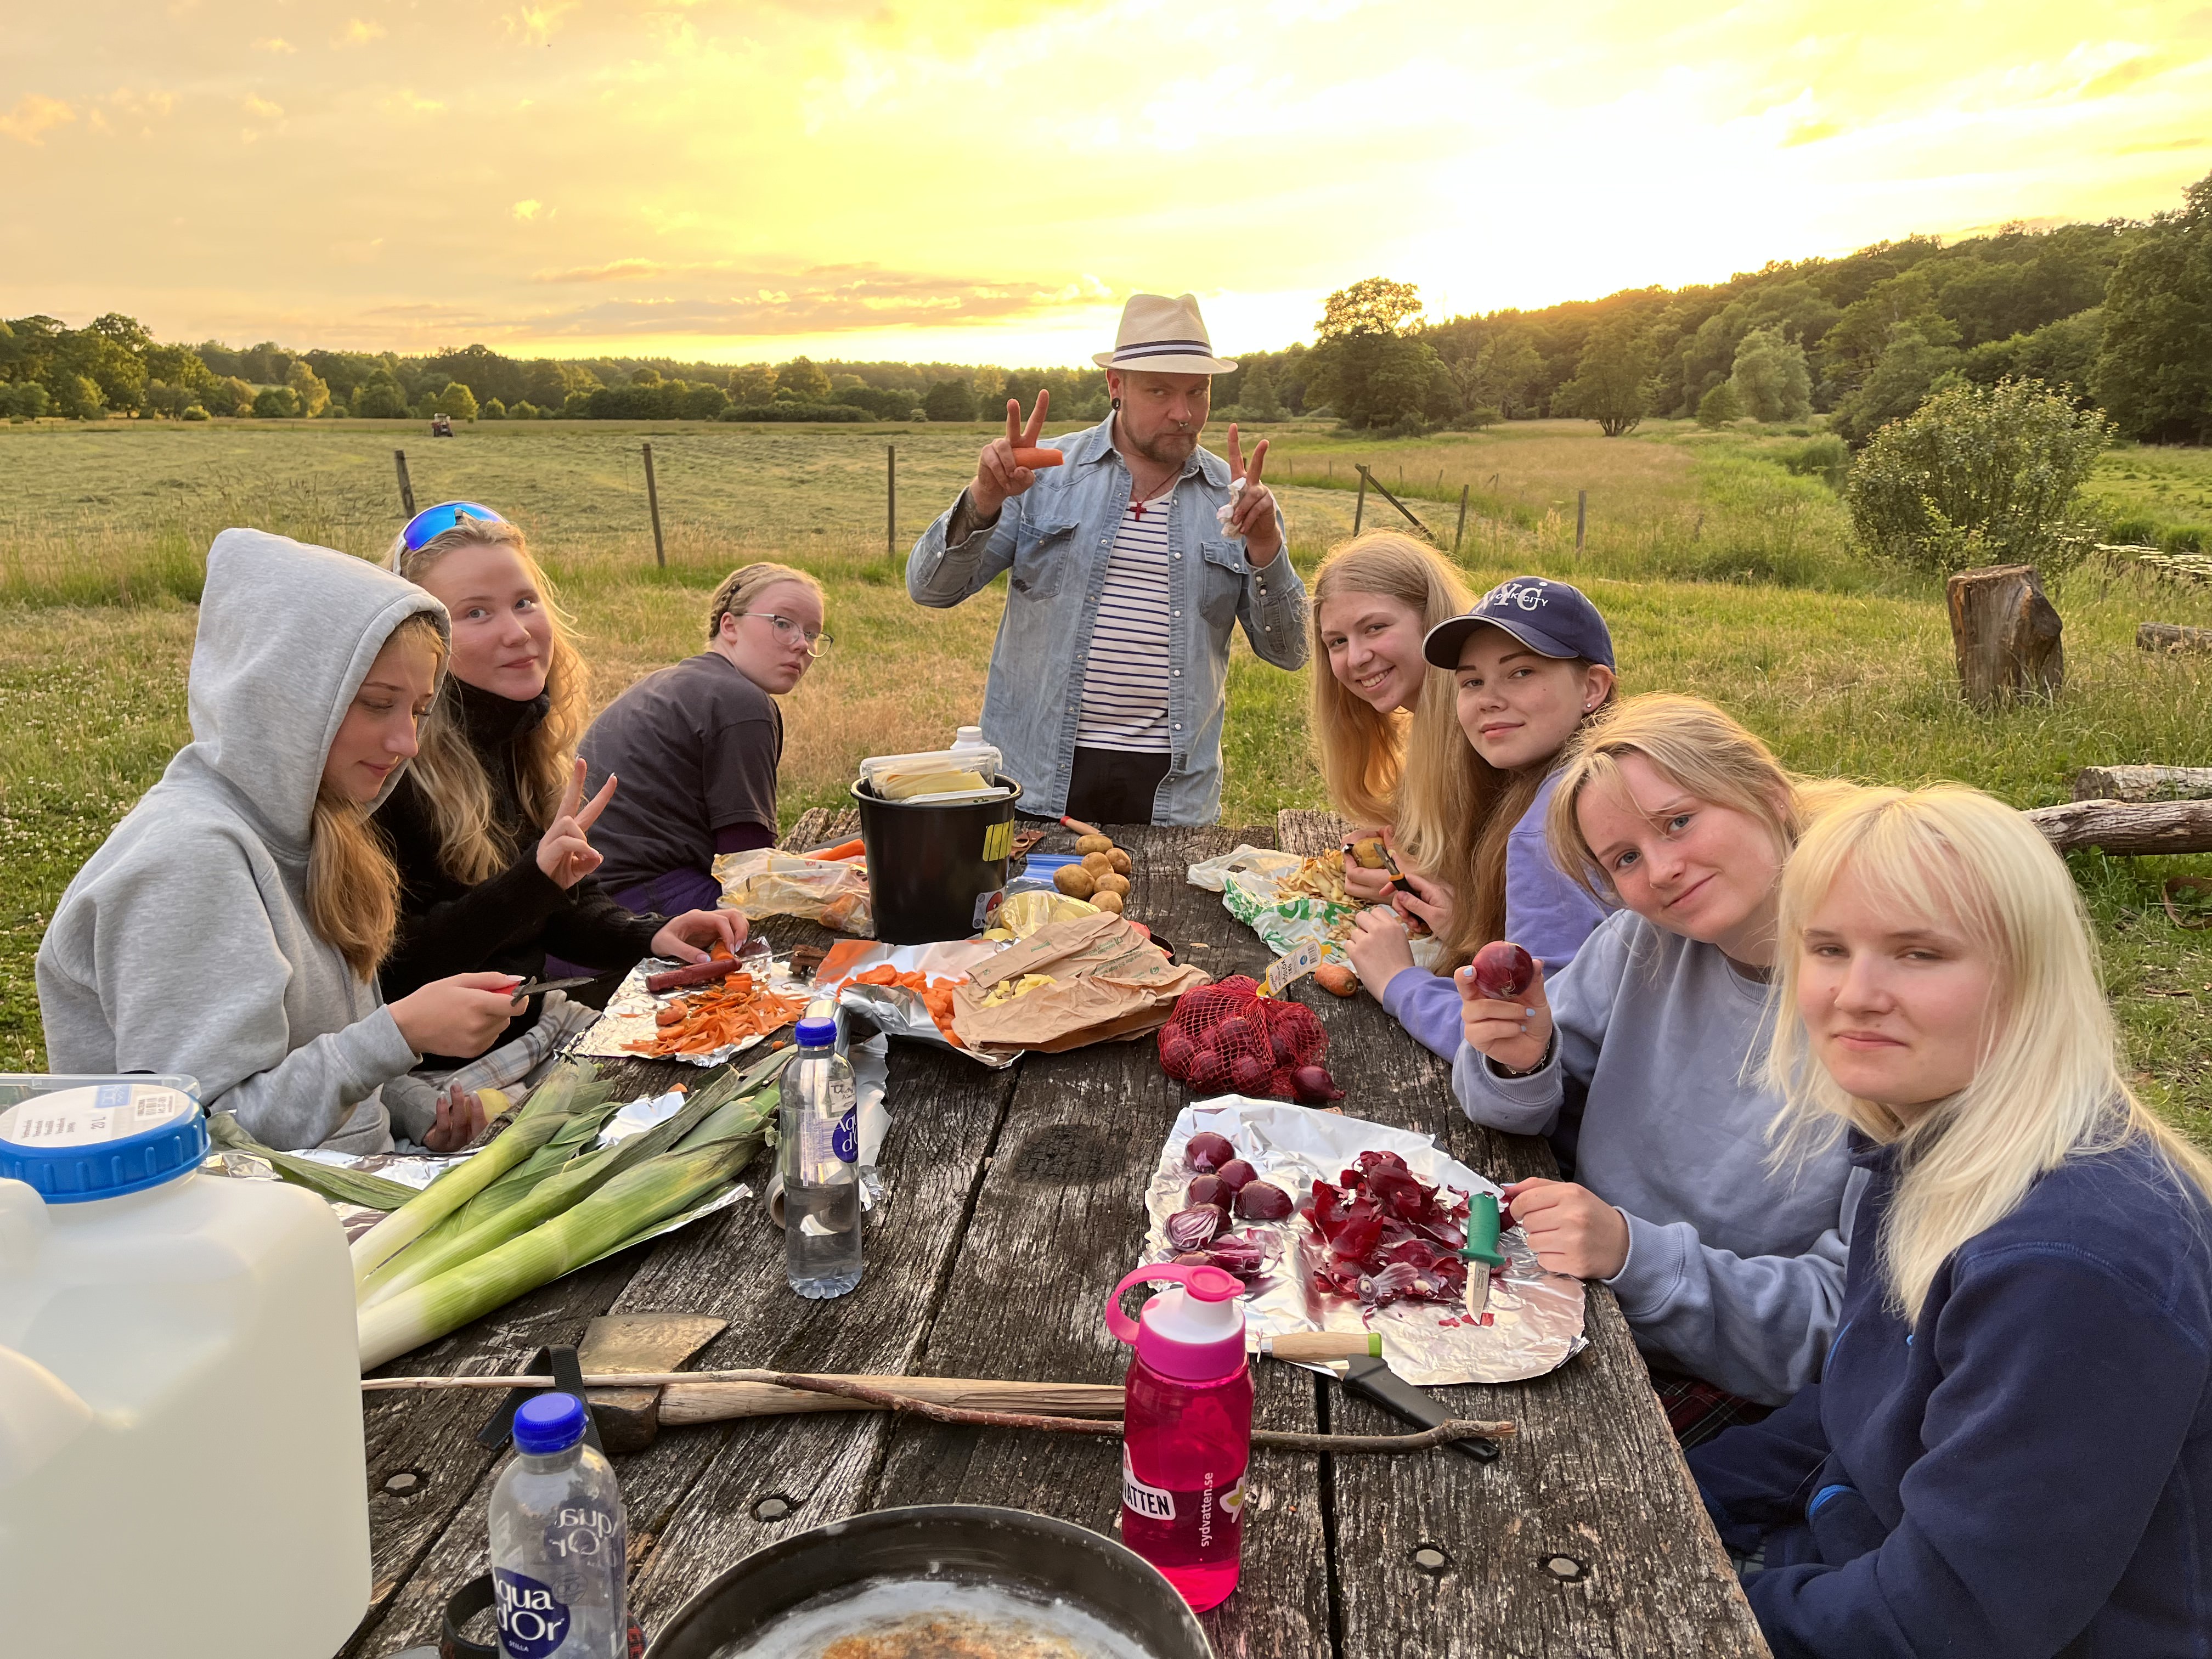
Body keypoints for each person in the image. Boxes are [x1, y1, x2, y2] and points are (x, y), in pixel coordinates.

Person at [1689, 786, 2212, 1658]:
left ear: (2030, 976)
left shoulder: (2069, 1265)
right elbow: (1859, 1401)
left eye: (1919, 953)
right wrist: (1673, 1499)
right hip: (1852, 1563)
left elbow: (1952, 1620)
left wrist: (1690, 1606)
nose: (1855, 994)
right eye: (1828, 948)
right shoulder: (1940, 1141)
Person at [1453, 694, 1864, 1442]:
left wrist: (1632, 1255)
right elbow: (1510, 1112)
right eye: (1626, 860)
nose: (1665, 871)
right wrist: (1518, 1060)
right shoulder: (1640, 942)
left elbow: (1840, 1326)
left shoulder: (1880, 1016)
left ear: (1770, 797)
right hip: (1575, 1292)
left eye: (1678, 822)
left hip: (1724, 1374)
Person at [36, 529, 524, 1154]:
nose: (407, 742)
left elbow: (320, 1059)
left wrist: (416, 1110)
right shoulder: (190, 862)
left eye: (419, 709)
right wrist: (396, 1032)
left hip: (335, 1191)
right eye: (378, 704)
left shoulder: (318, 827)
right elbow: (205, 1135)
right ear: (285, 698)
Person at [377, 504, 745, 1109]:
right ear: (420, 641)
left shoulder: (517, 738)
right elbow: (394, 966)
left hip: (538, 1025)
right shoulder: (396, 769)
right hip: (432, 1082)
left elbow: (561, 907)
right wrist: (534, 879)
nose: (518, 632)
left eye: (525, 602)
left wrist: (651, 937)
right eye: (475, 613)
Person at [906, 292, 1308, 826]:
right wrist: (983, 499)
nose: (1183, 414)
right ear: (1115, 385)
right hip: (1039, 778)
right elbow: (931, 589)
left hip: (1172, 795)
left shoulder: (1235, 500)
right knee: (1029, 912)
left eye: (1198, 391)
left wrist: (1266, 549)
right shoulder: (1042, 476)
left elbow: (1291, 650)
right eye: (1159, 390)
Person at [1344, 574, 1617, 1059]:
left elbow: (1537, 1047)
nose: (1489, 698)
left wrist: (1399, 982)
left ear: (1593, 687)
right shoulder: (1608, 776)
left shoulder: (1548, 829)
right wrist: (1473, 931)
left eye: (1521, 673)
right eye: (1472, 681)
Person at [580, 562, 827, 916]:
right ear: (730, 626)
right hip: (637, 907)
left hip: (584, 906)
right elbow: (747, 864)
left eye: (813, 633)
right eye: (783, 623)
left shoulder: (674, 682)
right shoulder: (741, 702)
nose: (802, 644)